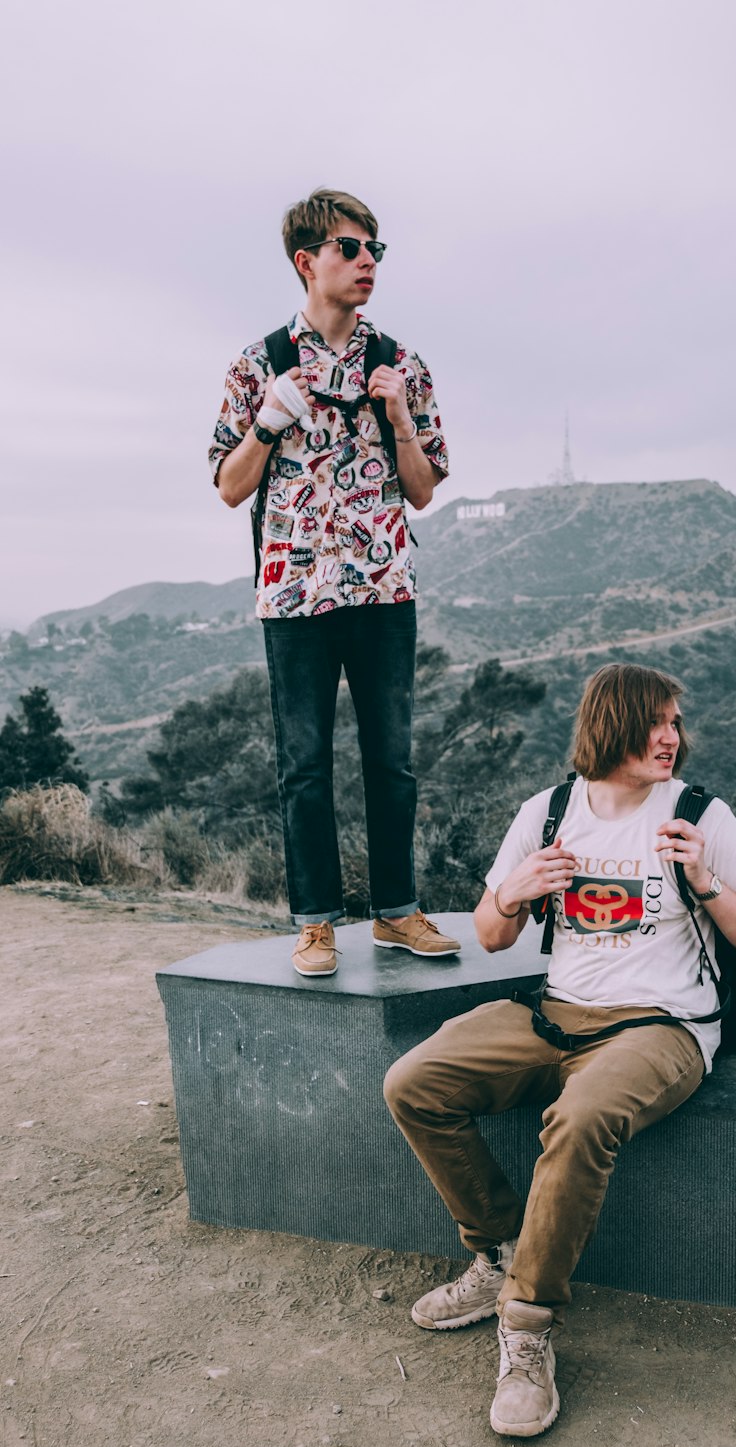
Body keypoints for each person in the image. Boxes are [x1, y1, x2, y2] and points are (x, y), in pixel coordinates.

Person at [384, 662, 736, 1437]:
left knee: (582, 1115)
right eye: (656, 722)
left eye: (676, 722)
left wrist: (703, 878)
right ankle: (500, 1249)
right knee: (415, 1082)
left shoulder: (699, 813)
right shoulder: (548, 812)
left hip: (663, 1025)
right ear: (611, 724)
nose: (672, 737)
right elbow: (494, 934)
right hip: (556, 1012)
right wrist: (515, 889)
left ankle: (527, 1330)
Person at [209, 188, 460, 975]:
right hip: (294, 595)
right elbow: (228, 485)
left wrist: (402, 422)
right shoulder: (259, 365)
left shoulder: (400, 363)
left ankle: (397, 913)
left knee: (392, 761)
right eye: (351, 249)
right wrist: (267, 423)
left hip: (384, 589)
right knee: (304, 766)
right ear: (306, 261)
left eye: (374, 251)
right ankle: (315, 923)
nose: (366, 264)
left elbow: (422, 490)